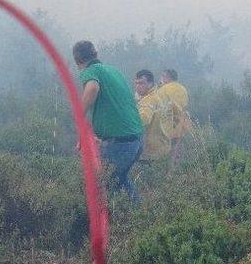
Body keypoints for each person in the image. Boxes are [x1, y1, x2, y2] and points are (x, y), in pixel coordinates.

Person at [73, 40, 144, 204]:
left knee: (100, 183)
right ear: (96, 55)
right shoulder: (113, 71)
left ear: (78, 62)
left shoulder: (90, 71)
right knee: (119, 179)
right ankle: (140, 216)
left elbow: (92, 88)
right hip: (136, 140)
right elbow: (112, 108)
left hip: (121, 143)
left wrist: (79, 114)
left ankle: (104, 223)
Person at [134, 70, 170, 158]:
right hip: (162, 147)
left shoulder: (150, 99)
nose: (138, 86)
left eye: (141, 83)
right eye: (136, 83)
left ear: (150, 84)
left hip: (152, 151)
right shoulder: (157, 95)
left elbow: (143, 119)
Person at [158, 69, 190, 166]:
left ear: (167, 77)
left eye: (163, 76)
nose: (161, 78)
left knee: (163, 153)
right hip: (181, 125)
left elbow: (158, 107)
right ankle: (174, 172)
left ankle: (163, 170)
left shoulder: (163, 89)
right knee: (176, 151)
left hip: (166, 126)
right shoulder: (183, 89)